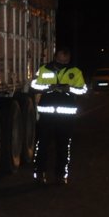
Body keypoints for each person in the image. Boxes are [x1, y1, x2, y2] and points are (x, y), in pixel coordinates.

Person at [30, 47, 87, 184]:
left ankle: (61, 175)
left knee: (63, 147)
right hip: (47, 115)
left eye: (66, 60)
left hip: (66, 116)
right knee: (42, 145)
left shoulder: (75, 71)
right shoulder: (44, 69)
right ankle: (39, 173)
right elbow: (33, 85)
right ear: (55, 57)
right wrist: (48, 88)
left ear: (69, 59)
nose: (63, 62)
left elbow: (83, 90)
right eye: (61, 60)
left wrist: (68, 89)